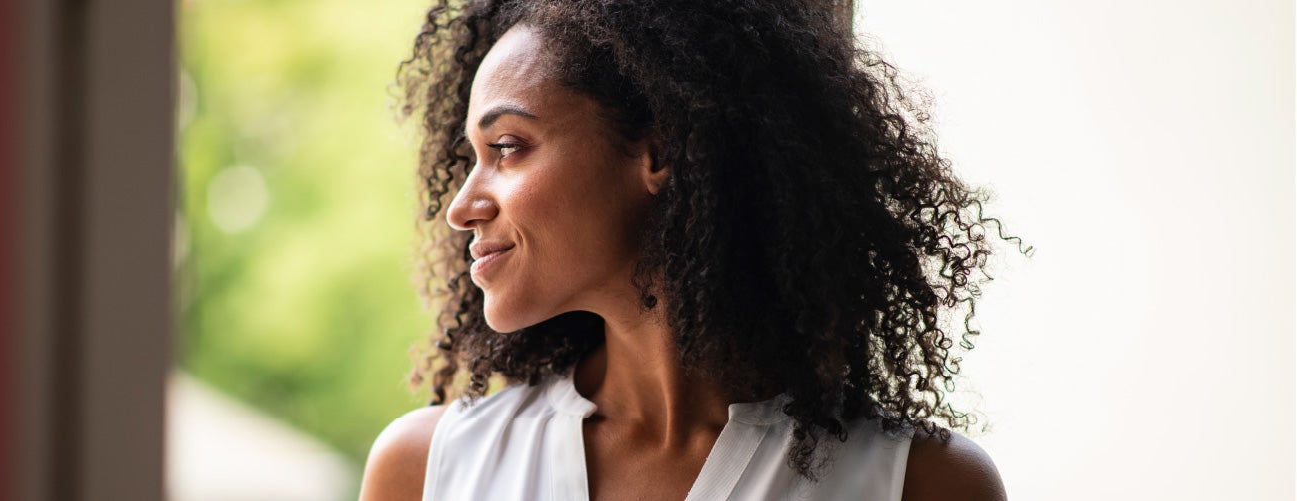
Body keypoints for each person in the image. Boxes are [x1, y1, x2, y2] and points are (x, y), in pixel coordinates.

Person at [362, 0, 1025, 499]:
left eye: (506, 148)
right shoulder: (427, 469)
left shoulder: (920, 484)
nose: (461, 206)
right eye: (468, 160)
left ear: (660, 150)